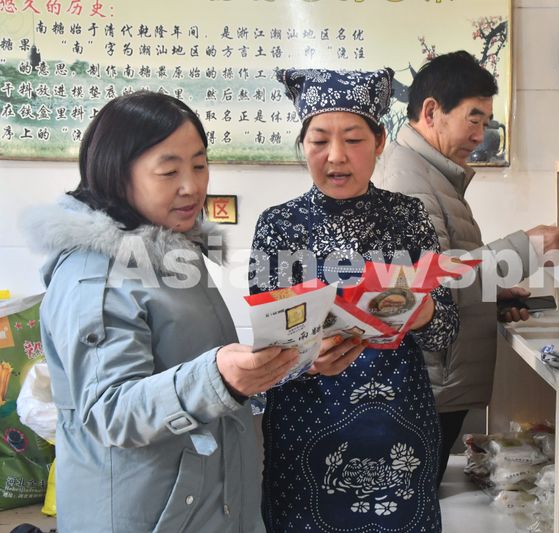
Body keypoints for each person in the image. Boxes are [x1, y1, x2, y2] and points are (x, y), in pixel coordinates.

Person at [21, 91, 301, 533]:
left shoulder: (169, 252)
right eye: (169, 171)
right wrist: (220, 378)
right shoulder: (95, 276)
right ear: (117, 175)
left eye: (200, 165)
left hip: (201, 506)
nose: (191, 186)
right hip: (145, 513)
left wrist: (286, 363)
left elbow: (195, 366)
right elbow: (109, 410)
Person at [249, 67, 458, 532]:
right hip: (305, 423)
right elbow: (267, 347)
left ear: (380, 141)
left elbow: (446, 332)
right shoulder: (278, 226)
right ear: (303, 144)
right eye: (319, 140)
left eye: (353, 139)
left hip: (397, 421)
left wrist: (423, 310)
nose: (336, 156)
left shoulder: (408, 216)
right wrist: (306, 359)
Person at [373, 51, 559, 485]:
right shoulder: (407, 180)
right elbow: (425, 280)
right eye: (474, 119)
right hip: (430, 382)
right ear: (432, 111)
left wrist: (492, 297)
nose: (481, 136)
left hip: (441, 379)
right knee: (416, 499)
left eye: (486, 123)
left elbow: (448, 271)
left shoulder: (432, 175)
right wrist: (527, 249)